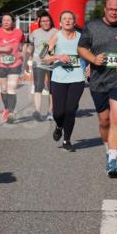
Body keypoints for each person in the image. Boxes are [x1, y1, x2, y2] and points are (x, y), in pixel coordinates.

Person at [78, 0, 117, 177]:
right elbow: (81, 48)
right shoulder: (92, 27)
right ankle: (109, 149)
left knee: (116, 117)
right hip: (99, 80)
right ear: (105, 9)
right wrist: (93, 59)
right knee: (104, 121)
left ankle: (113, 161)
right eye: (111, 9)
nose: (114, 12)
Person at [46, 11, 85, 151]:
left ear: (74, 22)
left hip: (77, 78)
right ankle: (59, 126)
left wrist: (91, 66)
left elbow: (89, 54)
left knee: (70, 110)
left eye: (70, 19)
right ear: (60, 23)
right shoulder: (56, 36)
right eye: (64, 19)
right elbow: (43, 56)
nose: (67, 21)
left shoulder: (81, 37)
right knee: (58, 113)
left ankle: (67, 140)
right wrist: (58, 57)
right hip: (59, 78)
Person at [0, 13, 26, 123]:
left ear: (13, 22)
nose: (5, 22)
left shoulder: (19, 32)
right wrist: (3, 49)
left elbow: (23, 44)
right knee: (4, 89)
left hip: (15, 63)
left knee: (12, 88)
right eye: (4, 20)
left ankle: (11, 112)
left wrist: (22, 53)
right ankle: (6, 108)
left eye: (8, 20)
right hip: (0, 64)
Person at [27, 12, 57, 121]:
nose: (45, 23)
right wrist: (27, 58)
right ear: (39, 22)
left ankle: (50, 111)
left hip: (53, 63)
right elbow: (30, 47)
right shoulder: (34, 33)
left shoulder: (56, 32)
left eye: (47, 21)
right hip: (38, 63)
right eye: (43, 21)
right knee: (38, 86)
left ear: (51, 22)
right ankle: (38, 111)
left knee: (52, 88)